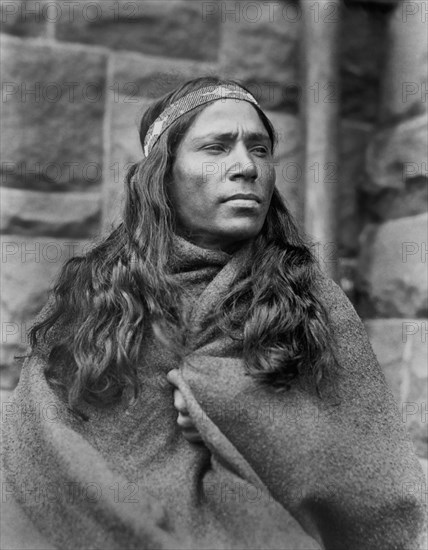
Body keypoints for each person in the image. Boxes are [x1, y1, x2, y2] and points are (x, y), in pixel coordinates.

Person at [1, 77, 426, 550]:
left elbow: (374, 475)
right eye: (217, 148)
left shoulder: (312, 300)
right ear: (163, 174)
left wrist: (234, 408)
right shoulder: (97, 295)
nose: (246, 166)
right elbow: (35, 432)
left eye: (260, 149)